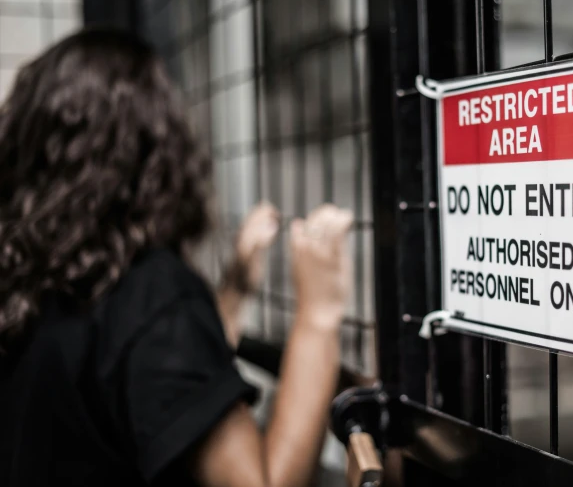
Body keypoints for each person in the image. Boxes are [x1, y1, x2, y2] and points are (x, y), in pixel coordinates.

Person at [0, 28, 353, 487]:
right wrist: (318, 317)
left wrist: (233, 291)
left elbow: (145, 384)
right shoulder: (151, 292)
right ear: (154, 152)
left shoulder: (28, 285)